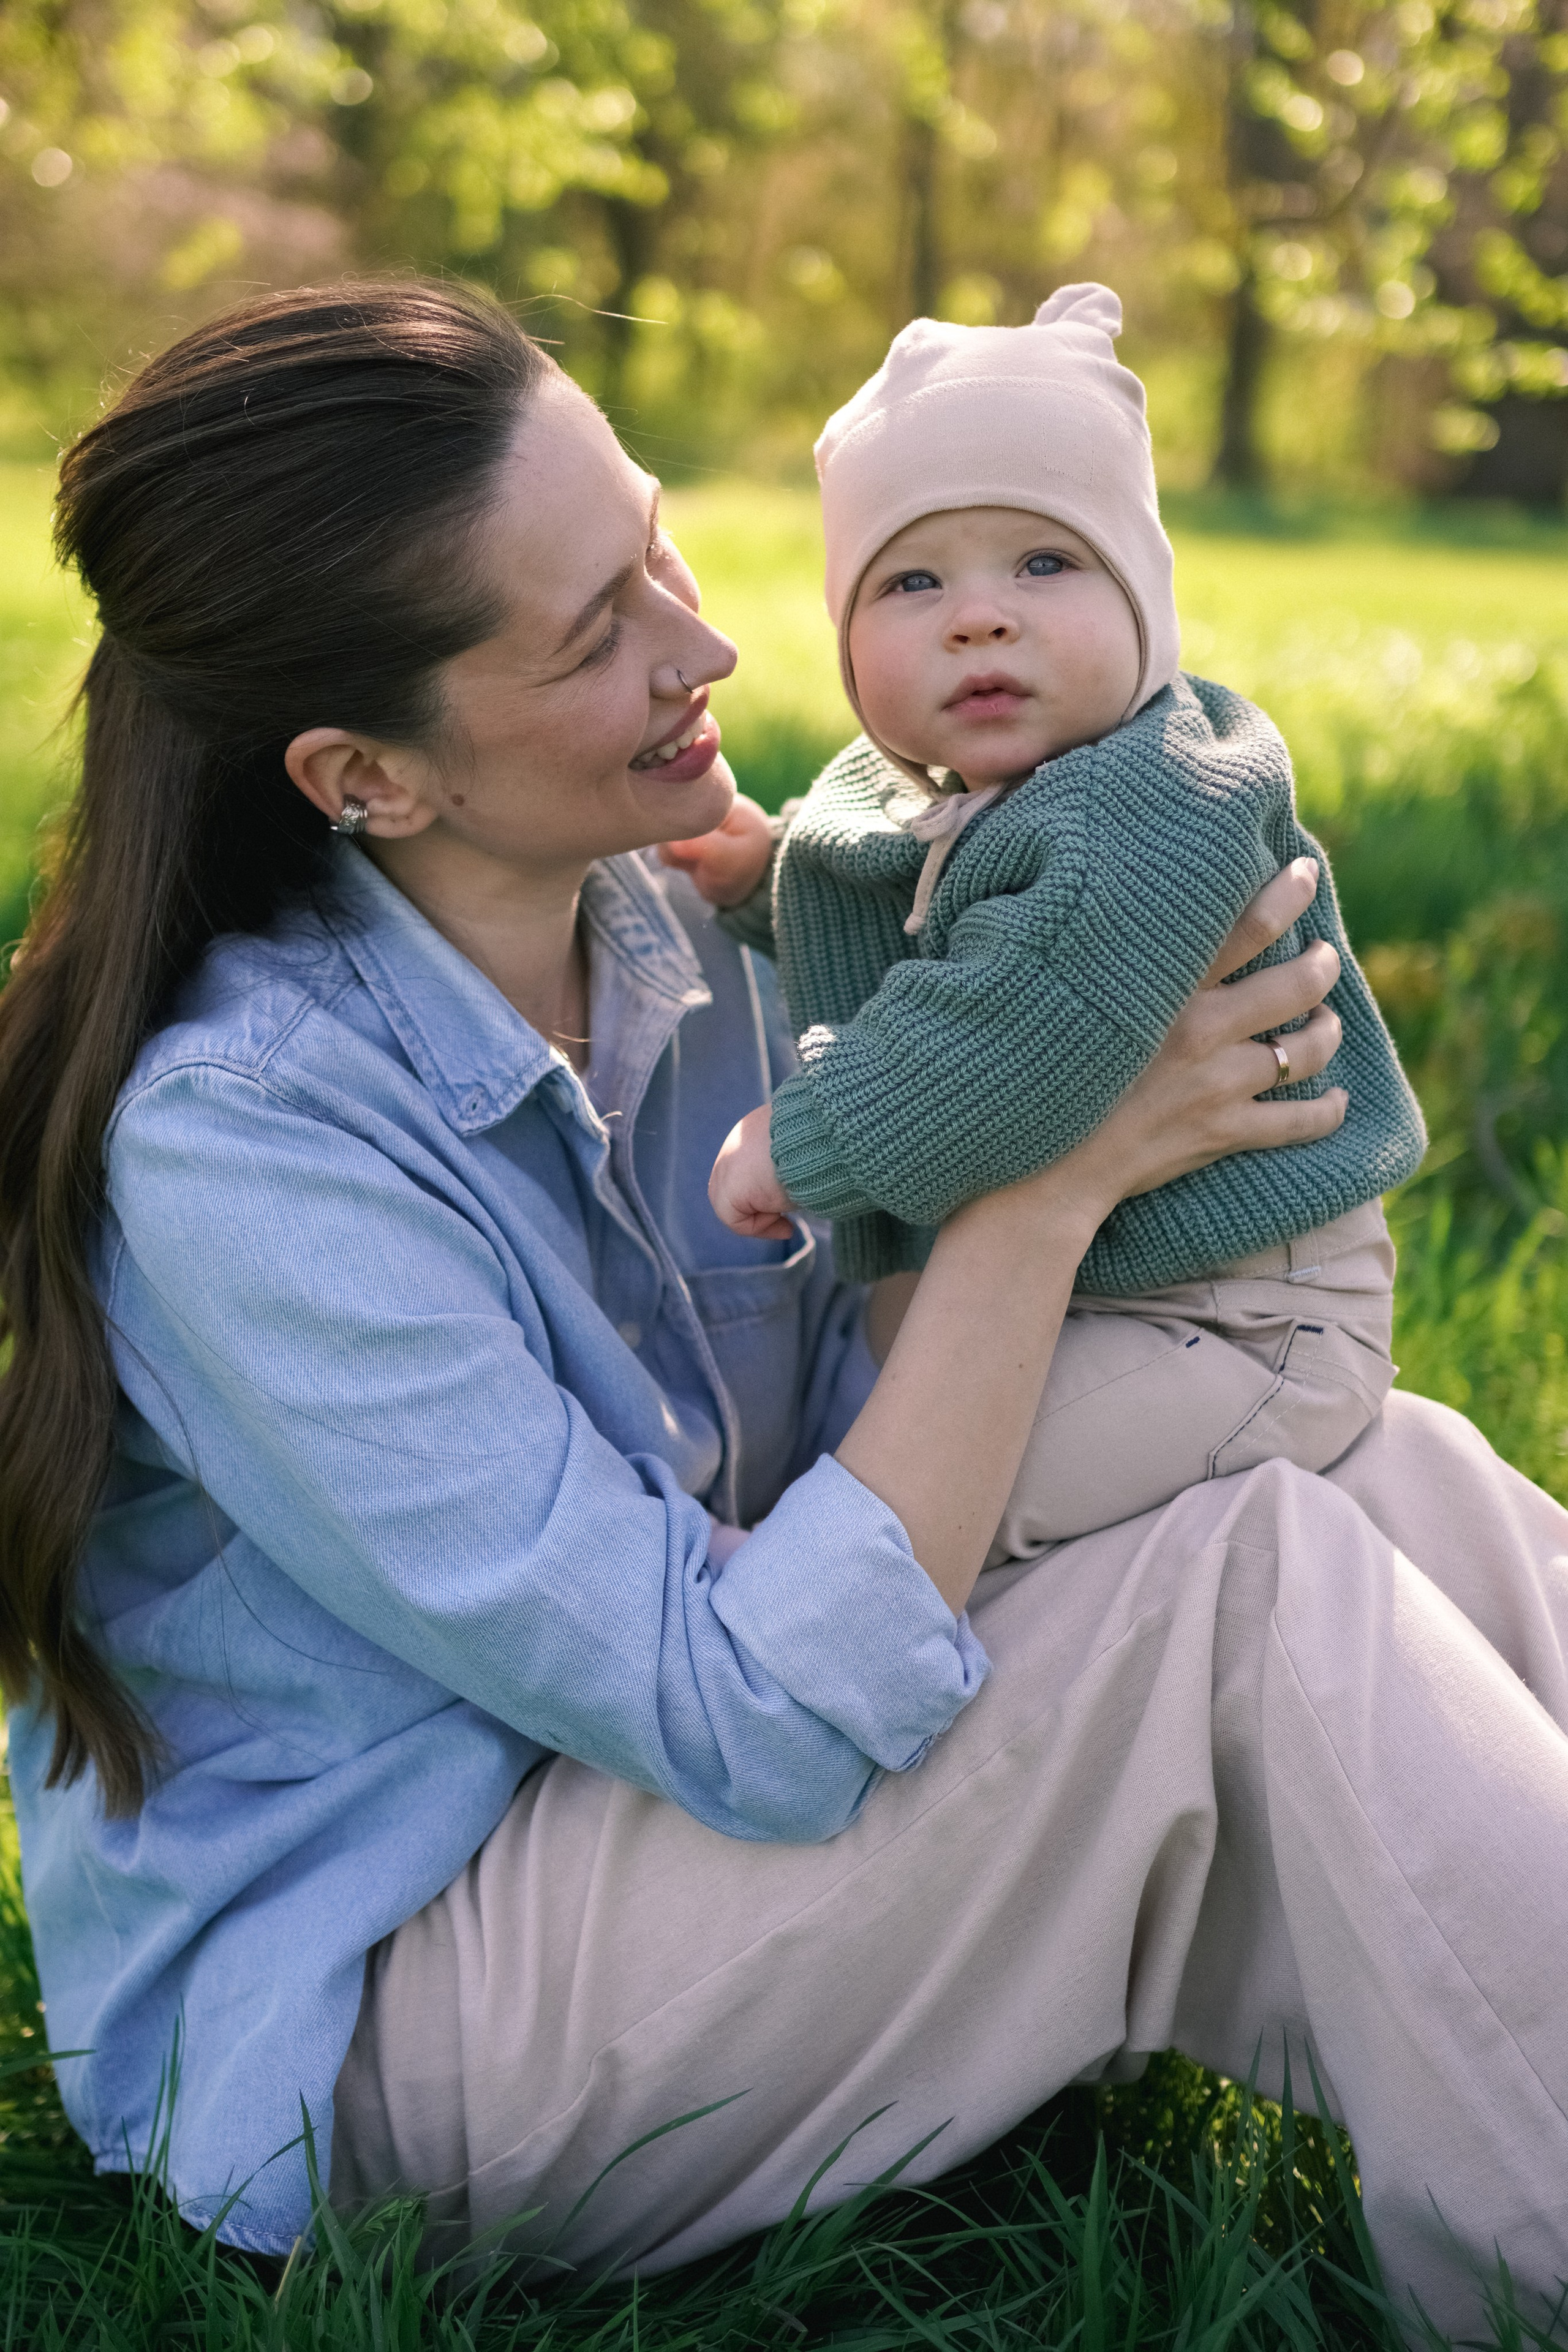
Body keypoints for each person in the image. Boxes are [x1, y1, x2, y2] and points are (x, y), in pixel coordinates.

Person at [1, 280, 1567, 2343]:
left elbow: (869, 1453)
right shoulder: (245, 1153)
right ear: (364, 772)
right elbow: (744, 1711)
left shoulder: (681, 918)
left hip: (677, 1804)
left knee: (1376, 1468)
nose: (707, 640)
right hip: (406, 2016)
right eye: (601, 629)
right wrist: (1051, 1177)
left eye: (654, 539)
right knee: (1248, 1581)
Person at [683, 285, 1425, 1550]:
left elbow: (1003, 1035)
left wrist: (795, 1143)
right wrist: (769, 881)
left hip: (1242, 1314)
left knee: (949, 1516)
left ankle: (817, 1654)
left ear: (1143, 600)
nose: (979, 614)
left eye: (1044, 562)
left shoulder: (1150, 798)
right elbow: (915, 921)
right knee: (890, 1400)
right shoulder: (942, 790)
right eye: (910, 581)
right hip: (1112, 1292)